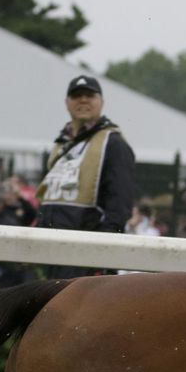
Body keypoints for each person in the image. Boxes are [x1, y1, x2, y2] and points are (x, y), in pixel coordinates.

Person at [36, 76, 136, 279]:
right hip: (51, 253)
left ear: (101, 102)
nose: (83, 100)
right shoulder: (60, 144)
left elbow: (120, 206)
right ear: (67, 103)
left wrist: (102, 254)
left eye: (89, 95)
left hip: (86, 259)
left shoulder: (113, 143)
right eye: (76, 96)